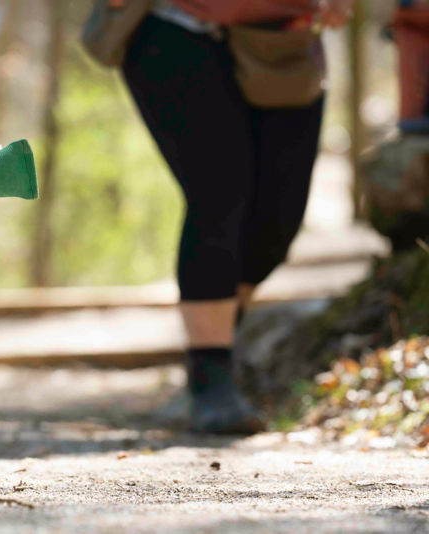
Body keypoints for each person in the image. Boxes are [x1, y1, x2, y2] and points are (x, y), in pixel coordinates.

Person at [121, 0, 352, 433]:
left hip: (284, 37)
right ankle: (211, 378)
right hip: (176, 30)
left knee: (276, 223)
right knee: (219, 194)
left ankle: (216, 356)